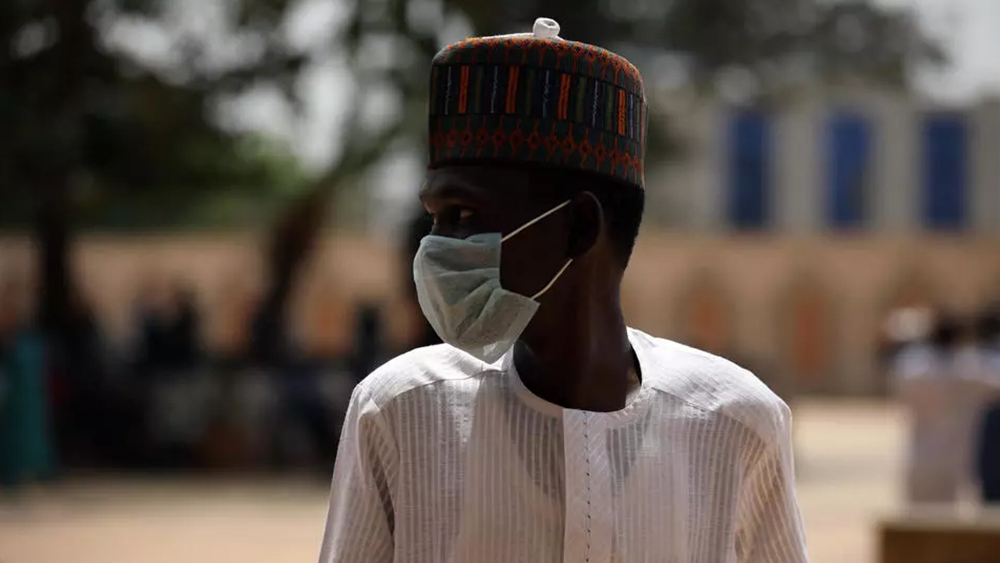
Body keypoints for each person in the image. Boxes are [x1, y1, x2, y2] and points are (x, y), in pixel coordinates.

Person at [319, 18, 807, 563]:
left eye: (463, 216)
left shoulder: (736, 423)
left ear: (576, 228)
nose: (437, 248)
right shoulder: (399, 411)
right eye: (434, 218)